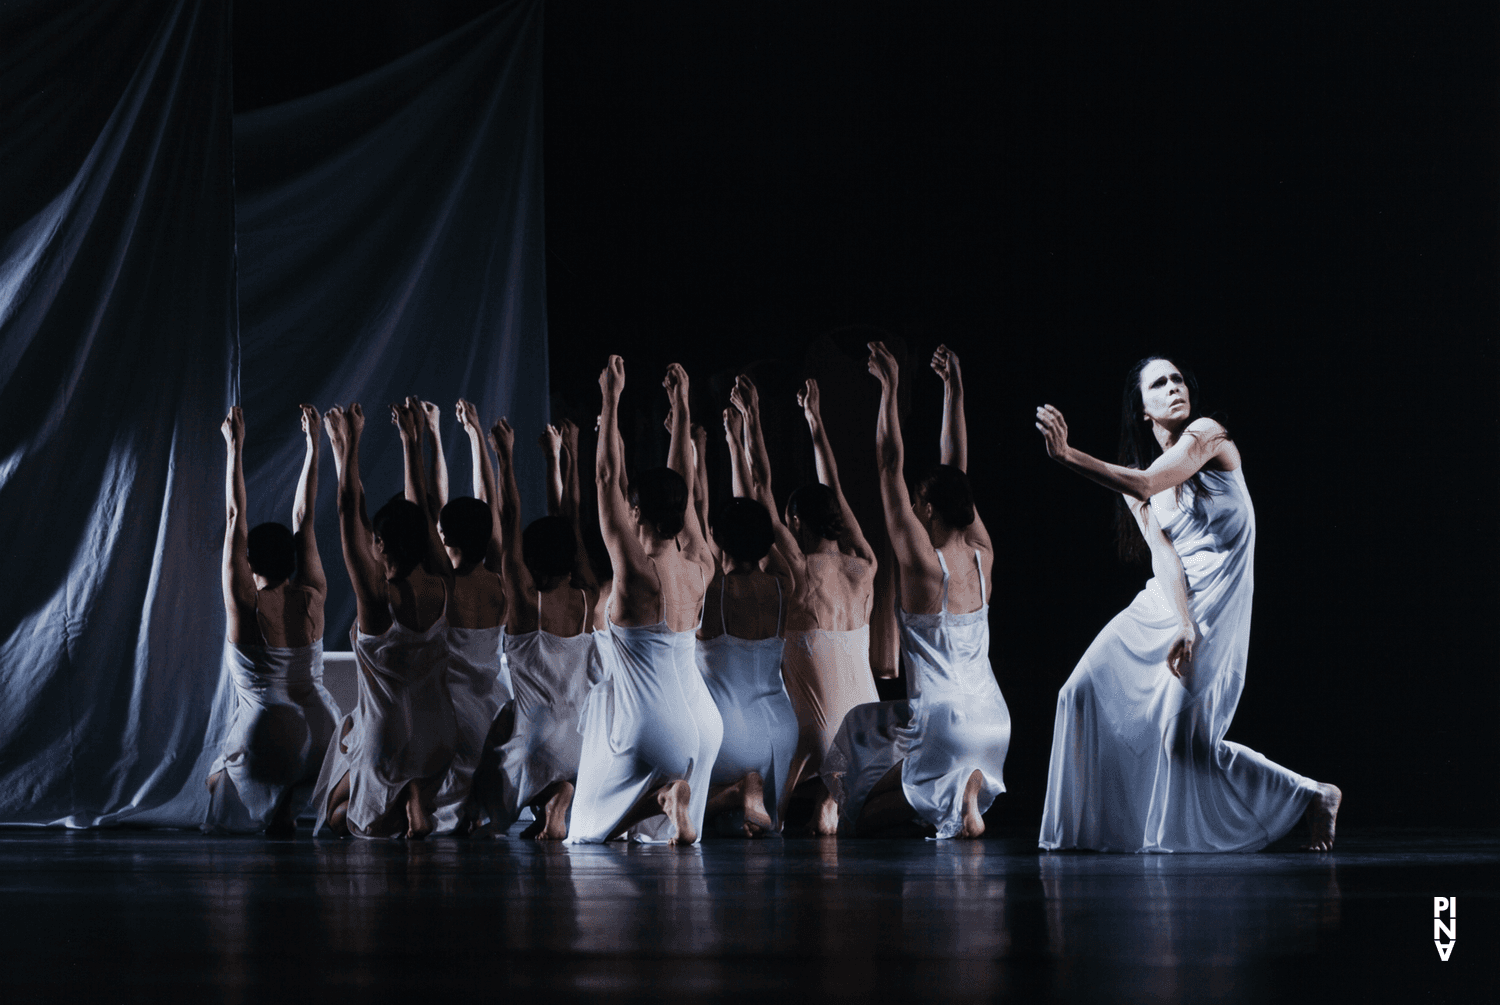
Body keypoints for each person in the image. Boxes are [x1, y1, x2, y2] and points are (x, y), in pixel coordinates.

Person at [1033, 356, 1341, 852]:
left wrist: (1067, 455)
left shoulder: (1208, 434)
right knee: (1079, 692)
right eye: (1159, 383)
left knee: (1186, 742)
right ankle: (1084, 836)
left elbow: (1149, 482)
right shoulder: (1137, 482)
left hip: (1218, 602)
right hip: (1172, 602)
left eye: (1178, 378)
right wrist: (1181, 621)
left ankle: (1313, 795)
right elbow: (1165, 557)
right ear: (1142, 410)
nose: (1175, 387)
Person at [824, 343, 1010, 838]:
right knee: (877, 775)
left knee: (856, 813)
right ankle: (963, 790)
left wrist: (889, 391)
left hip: (943, 722)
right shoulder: (980, 552)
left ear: (926, 509)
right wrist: (954, 390)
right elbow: (957, 471)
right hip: (993, 717)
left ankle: (953, 793)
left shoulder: (922, 566)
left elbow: (889, 467)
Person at [566, 358, 722, 845]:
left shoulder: (636, 576)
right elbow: (687, 489)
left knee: (587, 828)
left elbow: (605, 479)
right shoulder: (701, 564)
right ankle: (669, 796)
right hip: (702, 725)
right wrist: (681, 402)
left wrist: (611, 400)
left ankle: (660, 796)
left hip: (650, 727)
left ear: (635, 513)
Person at [731, 374, 878, 834]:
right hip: (866, 721)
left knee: (763, 816)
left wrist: (750, 419)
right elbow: (835, 488)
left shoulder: (796, 569)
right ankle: (830, 802)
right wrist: (815, 420)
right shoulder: (866, 565)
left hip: (817, 725)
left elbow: (758, 490)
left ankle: (777, 810)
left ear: (795, 521)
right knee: (824, 807)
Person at [311, 402, 456, 839]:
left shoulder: (376, 600)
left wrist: (349, 446)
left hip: (387, 737)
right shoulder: (443, 584)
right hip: (439, 735)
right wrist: (412, 443)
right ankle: (414, 794)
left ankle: (399, 798)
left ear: (378, 543)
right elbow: (424, 514)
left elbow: (345, 509)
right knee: (360, 749)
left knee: (334, 815)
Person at [205, 405, 339, 836]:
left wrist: (235, 447)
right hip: (324, 731)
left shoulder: (245, 603)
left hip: (270, 735)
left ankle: (276, 801)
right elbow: (305, 520)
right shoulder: (312, 596)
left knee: (216, 777)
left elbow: (234, 519)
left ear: (248, 561)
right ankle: (289, 801)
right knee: (300, 758)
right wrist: (312, 446)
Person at [474, 417, 602, 839]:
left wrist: (504, 459)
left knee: (491, 754)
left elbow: (508, 518)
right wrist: (564, 455)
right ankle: (555, 801)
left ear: (530, 559)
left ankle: (545, 797)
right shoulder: (587, 598)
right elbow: (571, 521)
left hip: (535, 742)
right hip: (583, 742)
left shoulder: (527, 604)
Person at [407, 398, 511, 834]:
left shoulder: (443, 583)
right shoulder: (499, 580)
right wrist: (474, 437)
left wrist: (419, 439)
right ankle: (473, 806)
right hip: (493, 710)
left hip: (452, 713)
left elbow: (423, 507)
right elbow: (491, 503)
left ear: (445, 537)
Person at [696, 482, 800, 837]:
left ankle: (738, 792)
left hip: (731, 733)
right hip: (781, 734)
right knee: (747, 832)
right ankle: (745, 801)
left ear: (718, 538)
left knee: (667, 810)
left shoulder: (712, 594)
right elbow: (774, 553)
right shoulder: (784, 586)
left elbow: (694, 538)